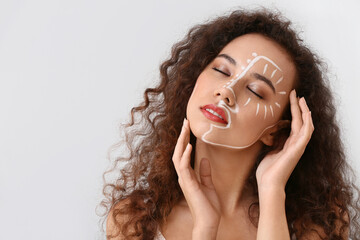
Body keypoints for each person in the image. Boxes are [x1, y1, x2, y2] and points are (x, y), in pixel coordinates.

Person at [99, 8, 360, 240]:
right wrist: (205, 229)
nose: (227, 91)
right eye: (222, 71)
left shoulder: (319, 225)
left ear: (276, 131)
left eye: (256, 91)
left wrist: (272, 191)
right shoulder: (134, 221)